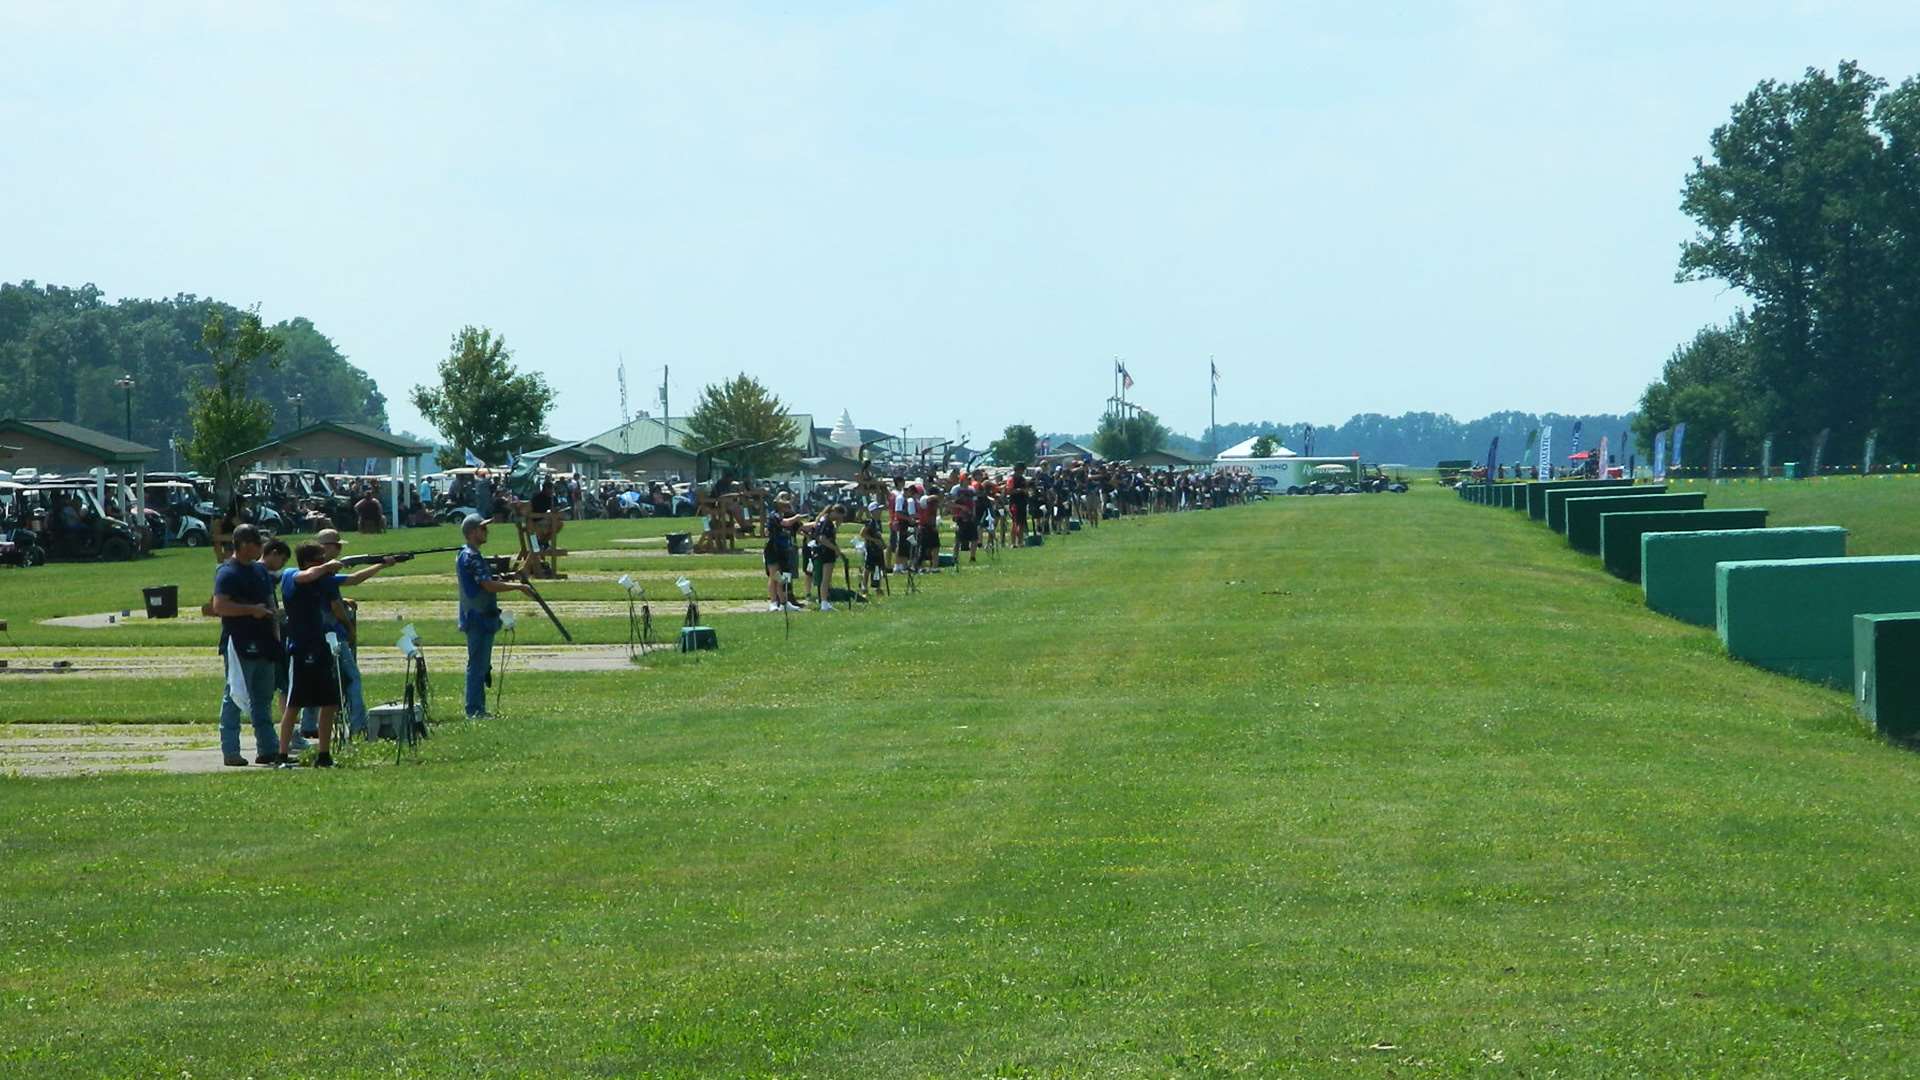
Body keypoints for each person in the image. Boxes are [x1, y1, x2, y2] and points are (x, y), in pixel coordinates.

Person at [275, 541, 395, 766]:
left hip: (322, 648)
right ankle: (282, 755)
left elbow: (355, 579)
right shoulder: (292, 575)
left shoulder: (324, 581)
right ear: (309, 561)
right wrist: (328, 566)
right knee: (294, 705)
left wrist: (380, 565)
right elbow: (307, 575)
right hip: (301, 650)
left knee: (330, 703)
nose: (324, 561)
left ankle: (324, 754)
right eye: (320, 558)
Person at [210, 524, 282, 767]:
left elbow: (270, 601)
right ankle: (231, 751)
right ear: (242, 545)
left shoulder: (260, 572)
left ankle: (268, 749)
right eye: (256, 544)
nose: (261, 549)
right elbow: (219, 606)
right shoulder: (227, 572)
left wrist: (275, 630)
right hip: (240, 642)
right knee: (235, 697)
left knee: (263, 698)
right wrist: (251, 611)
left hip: (265, 641)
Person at [293, 529, 372, 741]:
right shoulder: (324, 576)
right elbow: (338, 599)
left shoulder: (302, 576)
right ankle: (358, 724)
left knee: (313, 679)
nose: (339, 549)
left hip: (310, 637)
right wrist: (349, 627)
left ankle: (308, 725)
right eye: (336, 546)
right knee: (351, 679)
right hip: (331, 635)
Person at [456, 514, 532, 718]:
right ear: (472, 532)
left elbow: (487, 579)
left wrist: (507, 578)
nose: (486, 531)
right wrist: (518, 587)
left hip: (481, 616)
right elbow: (487, 585)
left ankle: (478, 708)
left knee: (481, 665)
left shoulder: (469, 554)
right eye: (483, 528)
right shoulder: (471, 557)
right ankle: (474, 710)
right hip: (477, 617)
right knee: (477, 666)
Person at [763, 494, 806, 612]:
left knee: (784, 577)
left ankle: (784, 602)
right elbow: (785, 523)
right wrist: (796, 517)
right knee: (774, 576)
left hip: (784, 549)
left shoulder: (782, 515)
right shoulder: (774, 515)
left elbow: (798, 527)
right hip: (773, 548)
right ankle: (773, 602)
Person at [806, 504, 844, 611]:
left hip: (821, 551)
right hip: (826, 552)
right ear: (836, 512)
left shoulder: (823, 520)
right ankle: (824, 602)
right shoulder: (826, 522)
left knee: (825, 579)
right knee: (826, 579)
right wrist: (835, 549)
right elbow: (822, 538)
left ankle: (825, 600)